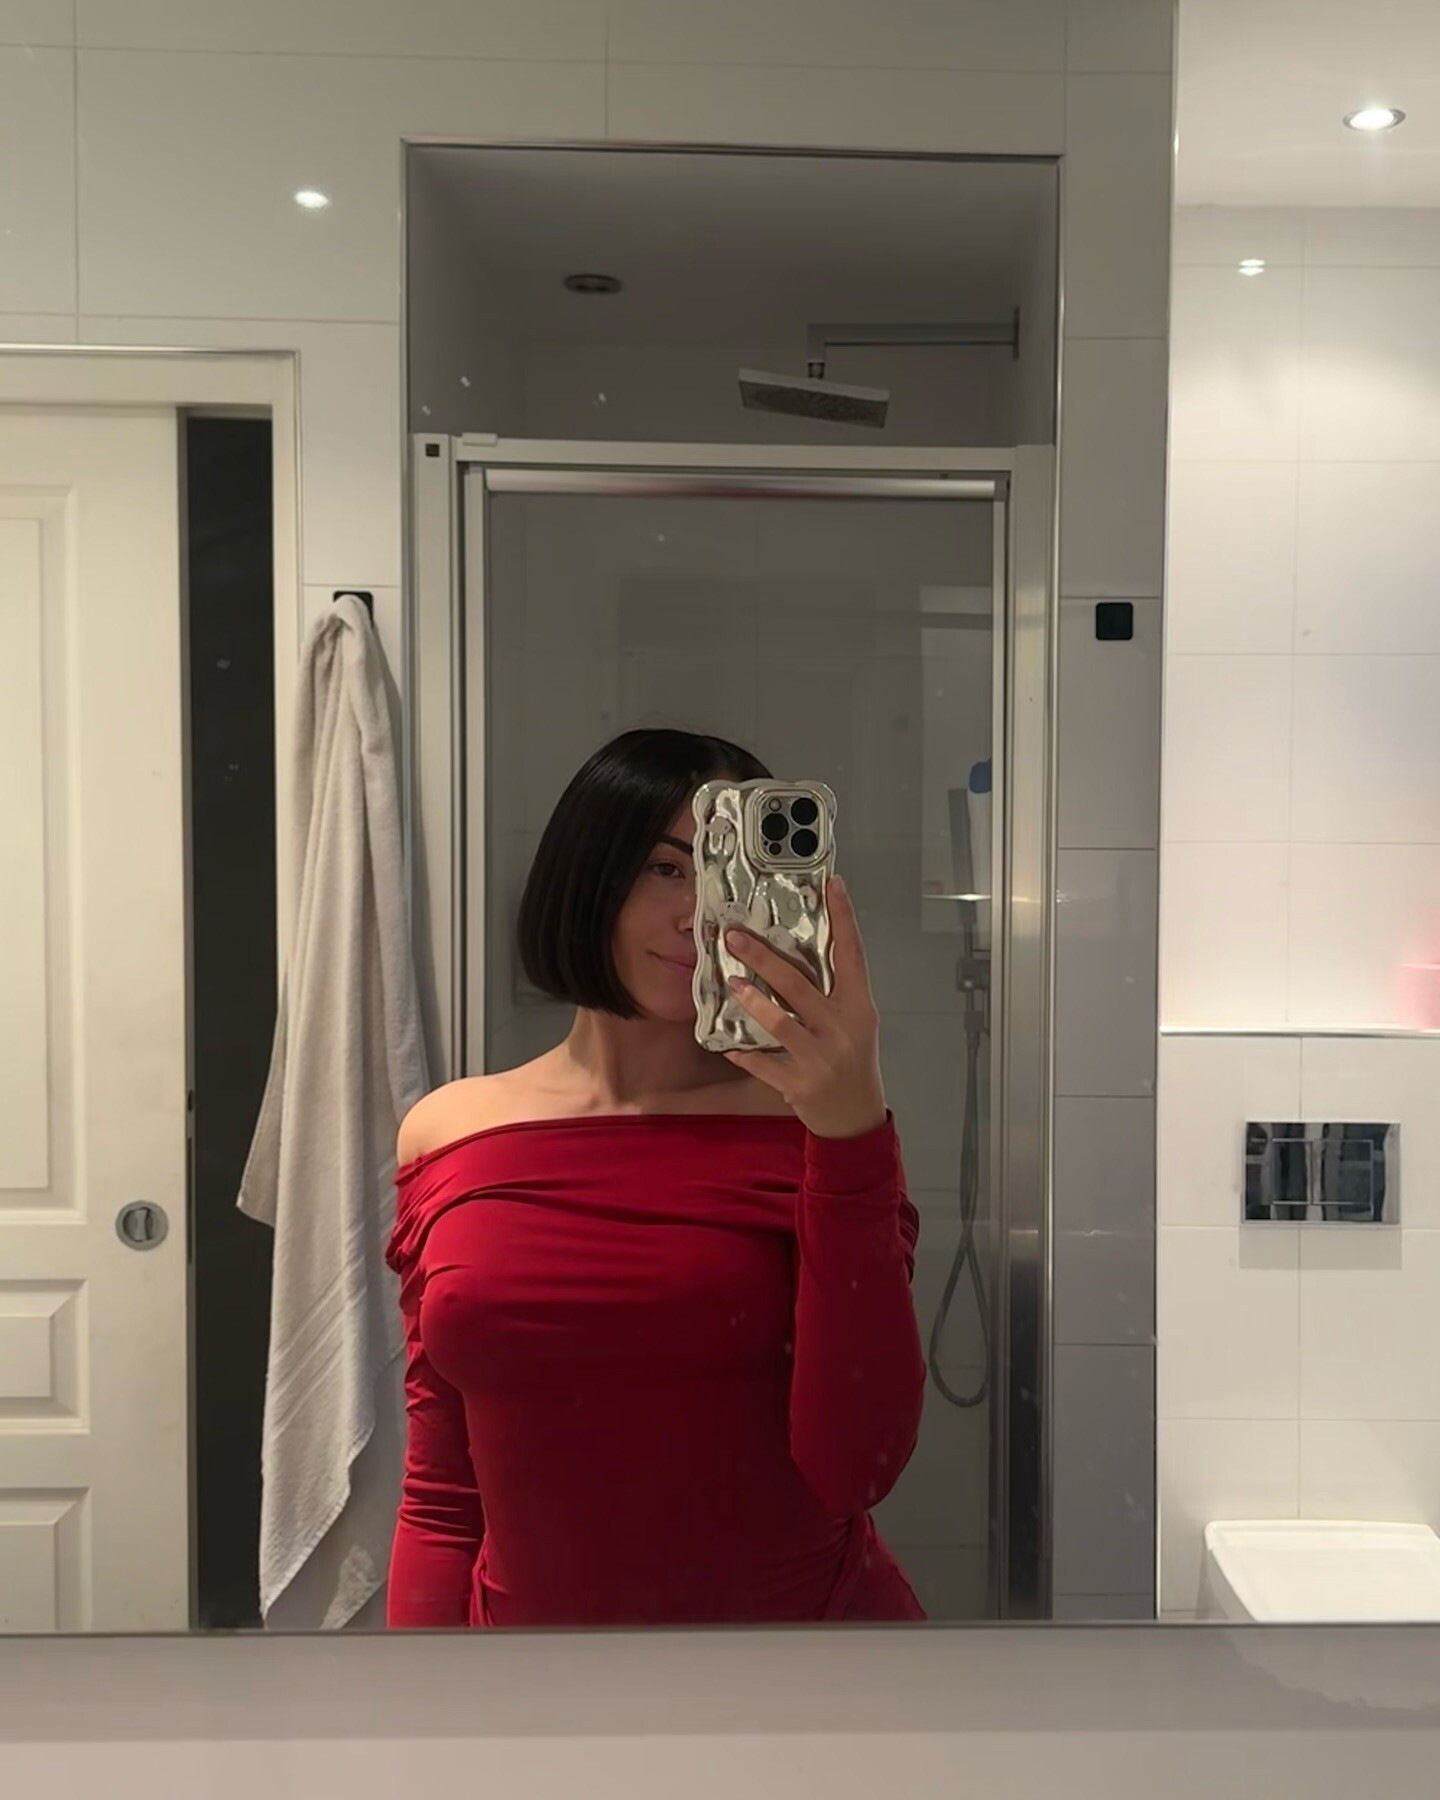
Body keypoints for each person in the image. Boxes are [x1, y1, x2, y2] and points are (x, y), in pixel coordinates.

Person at [386, 727, 925, 1628]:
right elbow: (443, 1494)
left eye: (727, 875)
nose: (698, 913)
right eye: (665, 868)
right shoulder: (451, 1133)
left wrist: (850, 1133)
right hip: (524, 1684)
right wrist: (415, 1696)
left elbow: (857, 1466)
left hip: (814, 1673)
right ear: (586, 872)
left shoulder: (821, 1130)